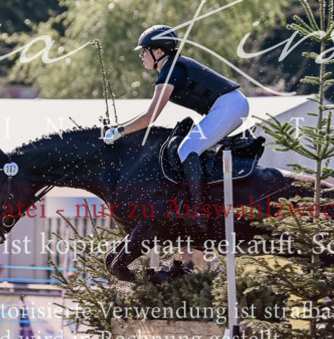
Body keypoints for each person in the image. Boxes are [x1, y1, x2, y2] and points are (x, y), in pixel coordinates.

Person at [102, 25, 249, 231]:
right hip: (230, 105)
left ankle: (198, 211)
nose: (142, 55)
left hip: (229, 106)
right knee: (191, 148)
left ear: (159, 52)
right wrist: (120, 127)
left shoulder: (170, 71)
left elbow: (150, 117)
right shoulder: (172, 67)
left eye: (145, 50)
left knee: (187, 149)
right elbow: (148, 115)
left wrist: (120, 131)